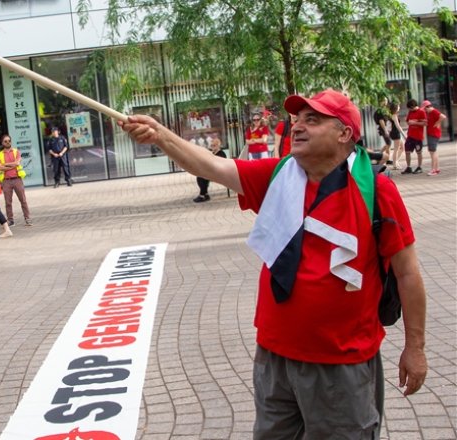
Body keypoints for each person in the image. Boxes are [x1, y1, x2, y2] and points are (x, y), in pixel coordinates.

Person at [120, 89, 427, 438]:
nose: (297, 126)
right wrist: (161, 135)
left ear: (344, 134)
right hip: (274, 357)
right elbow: (213, 166)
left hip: (341, 363)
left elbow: (407, 273)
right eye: (297, 119)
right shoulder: (280, 175)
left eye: (313, 119)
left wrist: (414, 348)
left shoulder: (377, 191)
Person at [0, 134, 32, 227]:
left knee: (23, 200)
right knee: (8, 202)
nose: (8, 142)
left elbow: (17, 163)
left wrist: (6, 165)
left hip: (17, 179)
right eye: (5, 141)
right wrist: (12, 165)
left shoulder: (16, 151)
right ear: (2, 143)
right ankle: (11, 220)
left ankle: (27, 218)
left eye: (9, 141)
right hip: (6, 181)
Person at [193, 138, 227, 202]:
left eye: (214, 145)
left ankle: (202, 195)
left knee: (204, 177)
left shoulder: (221, 154)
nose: (212, 147)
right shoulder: (212, 153)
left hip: (219, 172)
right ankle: (205, 194)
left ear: (218, 145)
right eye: (211, 146)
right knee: (200, 176)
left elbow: (218, 165)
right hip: (212, 171)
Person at [422, 100, 446, 176]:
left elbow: (443, 116)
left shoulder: (434, 111)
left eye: (425, 109)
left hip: (434, 134)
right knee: (434, 152)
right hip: (431, 134)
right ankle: (437, 168)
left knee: (432, 152)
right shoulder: (429, 113)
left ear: (428, 107)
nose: (425, 110)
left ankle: (433, 170)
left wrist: (438, 122)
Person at [402, 99, 426, 175]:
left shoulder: (421, 112)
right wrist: (407, 121)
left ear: (413, 106)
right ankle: (408, 167)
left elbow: (425, 123)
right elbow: (408, 120)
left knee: (419, 152)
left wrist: (415, 122)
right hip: (410, 135)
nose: (409, 110)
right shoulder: (410, 112)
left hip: (418, 135)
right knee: (407, 151)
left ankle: (419, 167)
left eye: (410, 108)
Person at [373, 99, 393, 165]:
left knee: (388, 143)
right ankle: (383, 157)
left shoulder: (384, 110)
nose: (385, 102)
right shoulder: (379, 111)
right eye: (384, 100)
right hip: (383, 129)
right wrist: (385, 130)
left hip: (386, 129)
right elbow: (381, 121)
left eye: (386, 100)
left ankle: (379, 155)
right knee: (389, 143)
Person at [388, 101, 407, 170]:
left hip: (395, 133)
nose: (399, 107)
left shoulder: (392, 115)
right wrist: (404, 135)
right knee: (396, 149)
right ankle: (394, 165)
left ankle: (395, 162)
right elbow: (398, 126)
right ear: (396, 108)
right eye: (398, 106)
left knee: (402, 148)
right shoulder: (394, 116)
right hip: (396, 133)